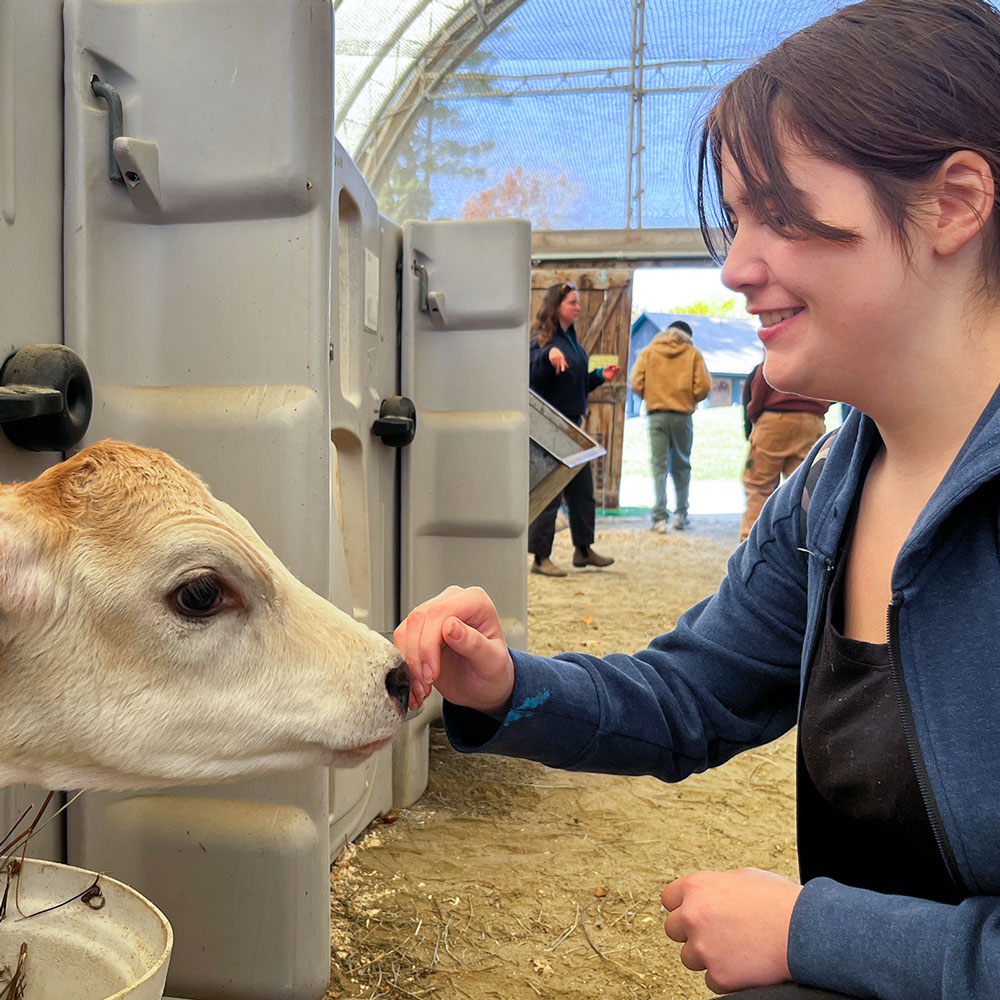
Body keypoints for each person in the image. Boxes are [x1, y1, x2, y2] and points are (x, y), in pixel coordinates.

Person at [395, 1, 1000, 997]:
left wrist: (815, 929)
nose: (734, 267)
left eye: (777, 211)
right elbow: (685, 698)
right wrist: (508, 687)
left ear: (954, 202)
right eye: (734, 217)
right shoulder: (822, 501)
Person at [528, 282, 620, 576]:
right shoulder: (543, 341)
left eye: (578, 302)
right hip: (551, 429)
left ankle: (583, 550)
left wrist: (597, 376)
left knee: (582, 491)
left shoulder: (572, 343)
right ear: (556, 307)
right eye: (572, 302)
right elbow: (533, 371)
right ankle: (541, 559)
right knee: (550, 495)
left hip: (572, 427)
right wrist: (548, 356)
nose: (578, 307)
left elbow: (575, 384)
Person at [629, 320, 711, 531]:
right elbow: (704, 386)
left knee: (659, 466)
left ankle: (659, 519)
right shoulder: (693, 353)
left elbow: (636, 382)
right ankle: (681, 515)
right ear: (687, 334)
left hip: (657, 415)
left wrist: (652, 395)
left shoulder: (649, 352)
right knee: (682, 465)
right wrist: (689, 398)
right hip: (682, 416)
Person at [739, 360, 830, 540]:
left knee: (759, 486)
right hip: (812, 422)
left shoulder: (775, 358)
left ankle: (751, 543)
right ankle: (803, 546)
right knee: (805, 490)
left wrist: (754, 419)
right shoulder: (818, 361)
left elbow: (756, 397)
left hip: (774, 421)